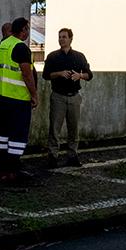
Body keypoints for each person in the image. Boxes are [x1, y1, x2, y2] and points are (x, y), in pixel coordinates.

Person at [0, 17, 37, 182]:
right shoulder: (21, 47)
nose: (28, 32)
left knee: (4, 133)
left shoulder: (3, 45)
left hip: (1, 96)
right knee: (18, 135)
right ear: (23, 30)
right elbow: (26, 74)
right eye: (27, 29)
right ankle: (13, 170)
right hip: (18, 98)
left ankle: (2, 168)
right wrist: (34, 94)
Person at [43, 28, 92, 166]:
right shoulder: (53, 56)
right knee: (54, 128)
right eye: (60, 37)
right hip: (58, 96)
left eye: (64, 37)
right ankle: (53, 156)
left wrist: (79, 75)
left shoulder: (79, 56)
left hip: (74, 96)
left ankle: (72, 156)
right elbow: (46, 75)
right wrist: (59, 73)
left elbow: (89, 75)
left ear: (70, 39)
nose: (61, 39)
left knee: (73, 128)